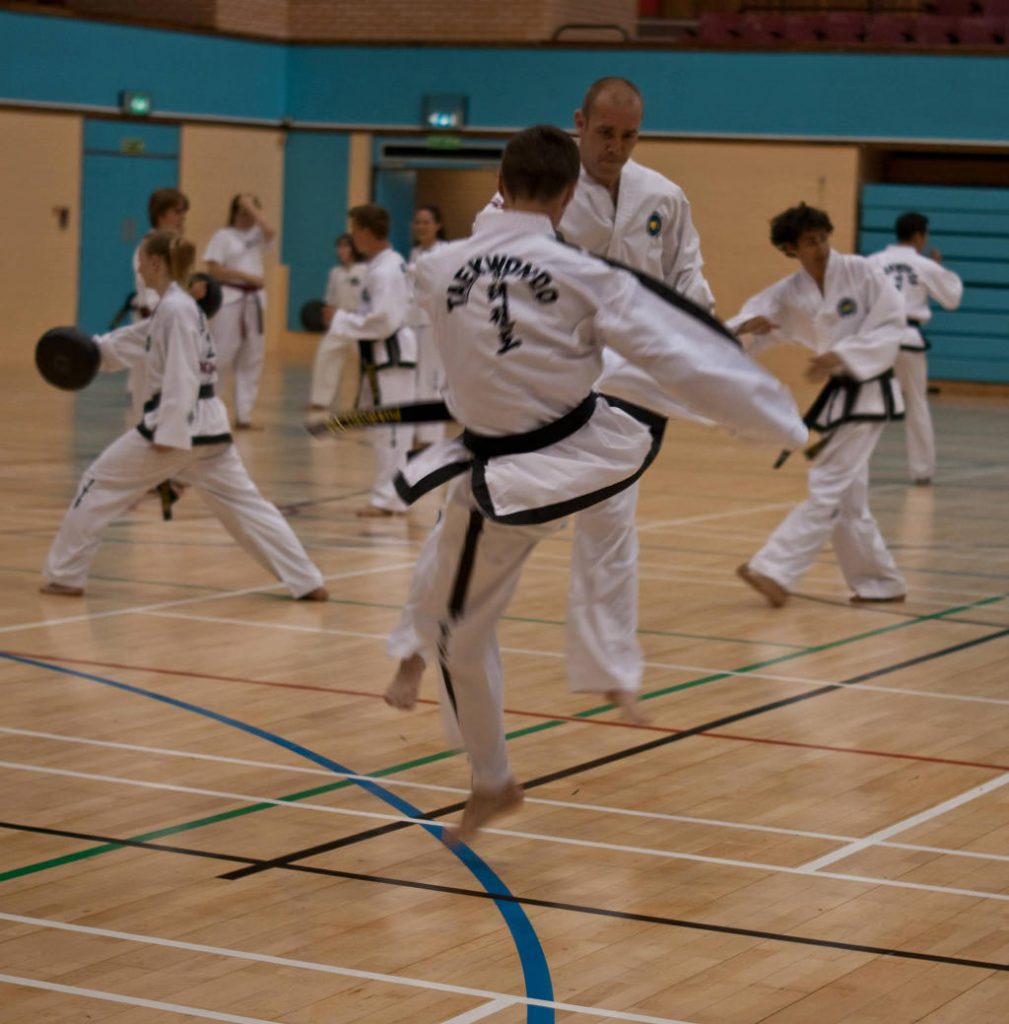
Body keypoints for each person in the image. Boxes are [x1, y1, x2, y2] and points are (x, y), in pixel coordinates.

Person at [393, 125, 806, 840]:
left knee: (457, 627)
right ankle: (456, 710)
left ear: (500, 181)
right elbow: (680, 355)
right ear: (564, 196)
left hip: (530, 466)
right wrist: (774, 420)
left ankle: (490, 772)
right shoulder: (585, 274)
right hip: (583, 448)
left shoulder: (435, 265)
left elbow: (463, 297)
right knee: (453, 593)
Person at [386, 76, 715, 719]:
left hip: (626, 387)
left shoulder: (662, 197)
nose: (616, 147)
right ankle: (414, 646)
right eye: (605, 134)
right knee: (467, 516)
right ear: (580, 124)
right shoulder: (525, 205)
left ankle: (613, 671)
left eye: (629, 136)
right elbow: (482, 279)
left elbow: (688, 281)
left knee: (612, 526)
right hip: (542, 381)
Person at [41, 230, 328, 602]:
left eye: (141, 258)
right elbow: (138, 338)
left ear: (156, 262)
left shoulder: (176, 309)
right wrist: (92, 352)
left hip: (181, 425)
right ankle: (306, 580)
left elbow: (182, 374)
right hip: (209, 428)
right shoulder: (175, 306)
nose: (139, 266)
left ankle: (65, 575)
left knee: (99, 484)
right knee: (246, 506)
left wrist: (168, 433)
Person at [730, 203, 907, 608]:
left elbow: (892, 323)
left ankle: (774, 569)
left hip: (868, 390)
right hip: (841, 401)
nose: (821, 247)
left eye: (824, 237)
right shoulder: (789, 293)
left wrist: (842, 355)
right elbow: (751, 320)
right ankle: (881, 582)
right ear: (791, 248)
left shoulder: (862, 272)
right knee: (848, 498)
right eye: (810, 242)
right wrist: (742, 329)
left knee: (828, 482)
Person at [311, 204, 417, 517]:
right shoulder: (386, 264)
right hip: (382, 355)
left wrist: (342, 319)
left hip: (391, 354)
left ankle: (390, 498)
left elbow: (384, 320)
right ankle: (391, 496)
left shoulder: (385, 270)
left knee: (391, 431)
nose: (353, 237)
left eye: (355, 230)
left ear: (366, 233)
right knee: (385, 429)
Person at [866, 212, 963, 485]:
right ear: (919, 236)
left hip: (877, 339)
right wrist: (937, 268)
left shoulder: (873, 262)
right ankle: (922, 471)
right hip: (908, 339)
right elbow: (952, 299)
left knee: (869, 403)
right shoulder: (924, 265)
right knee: (917, 404)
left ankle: (853, 463)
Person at [204, 193, 275, 428]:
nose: (248, 216)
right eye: (243, 211)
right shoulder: (223, 236)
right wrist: (246, 276)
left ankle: (244, 416)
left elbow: (270, 231)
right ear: (234, 211)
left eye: (252, 212)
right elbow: (213, 269)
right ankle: (208, 411)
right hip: (231, 300)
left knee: (252, 359)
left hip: (254, 302)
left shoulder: (258, 235)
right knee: (222, 355)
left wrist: (253, 208)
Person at [127, 188, 190, 423]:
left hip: (171, 331)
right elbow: (153, 297)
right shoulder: (149, 249)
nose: (183, 217)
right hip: (152, 329)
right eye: (178, 212)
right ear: (162, 214)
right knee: (146, 402)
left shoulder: (174, 248)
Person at [308, 234, 367, 414]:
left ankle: (369, 402)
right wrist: (327, 317)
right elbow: (330, 299)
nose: (341, 250)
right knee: (325, 355)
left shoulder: (365, 269)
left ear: (354, 248)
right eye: (339, 246)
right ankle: (320, 400)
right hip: (339, 321)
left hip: (360, 321)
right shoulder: (335, 272)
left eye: (346, 246)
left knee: (368, 362)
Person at [408, 205, 450, 450]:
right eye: (418, 222)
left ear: (438, 225)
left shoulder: (444, 252)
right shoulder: (414, 252)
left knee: (432, 380)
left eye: (426, 222)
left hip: (434, 324)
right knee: (414, 381)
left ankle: (431, 436)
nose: (421, 227)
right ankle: (415, 432)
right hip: (413, 324)